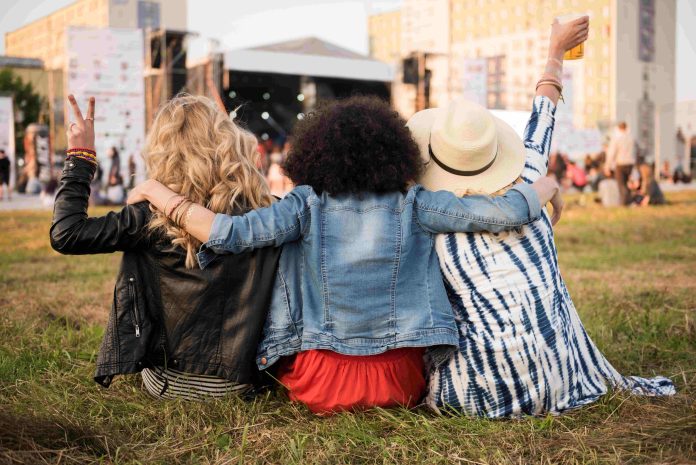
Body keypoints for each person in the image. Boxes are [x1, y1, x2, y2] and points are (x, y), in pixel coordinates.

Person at [128, 96, 563, 415]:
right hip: (401, 383)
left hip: (318, 383)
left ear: (316, 153)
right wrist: (548, 187)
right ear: (397, 152)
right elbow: (502, 212)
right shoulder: (416, 204)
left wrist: (156, 191)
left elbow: (227, 234)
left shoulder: (304, 204)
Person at [408, 15, 675, 417]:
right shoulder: (530, 176)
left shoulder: (423, 211)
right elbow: (543, 113)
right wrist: (556, 50)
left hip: (473, 396)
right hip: (558, 382)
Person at [50, 94, 281, 400]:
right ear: (226, 139)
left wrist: (80, 158)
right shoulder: (265, 211)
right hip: (242, 380)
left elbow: (66, 233)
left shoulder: (150, 216)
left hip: (170, 382)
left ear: (162, 148)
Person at [605, 122, 636, 205]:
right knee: (628, 183)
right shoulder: (631, 138)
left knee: (621, 184)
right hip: (630, 163)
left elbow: (611, 153)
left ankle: (623, 202)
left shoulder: (616, 138)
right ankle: (629, 201)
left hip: (620, 163)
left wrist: (607, 166)